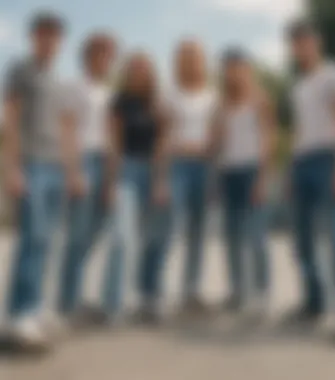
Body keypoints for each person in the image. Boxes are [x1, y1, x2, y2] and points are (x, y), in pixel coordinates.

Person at [287, 20, 335, 342]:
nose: (301, 46)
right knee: (303, 241)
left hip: (329, 159)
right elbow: (301, 129)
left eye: (305, 40)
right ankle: (314, 303)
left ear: (317, 41)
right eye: (295, 42)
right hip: (302, 162)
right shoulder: (297, 86)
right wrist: (292, 168)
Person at [2, 12, 66, 349]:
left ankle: (34, 307)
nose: (50, 41)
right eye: (44, 35)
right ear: (34, 37)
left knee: (45, 241)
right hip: (31, 165)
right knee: (31, 238)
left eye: (55, 36)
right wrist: (12, 168)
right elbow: (10, 121)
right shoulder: (20, 70)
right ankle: (19, 315)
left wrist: (68, 169)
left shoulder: (56, 78)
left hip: (54, 165)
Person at [103, 52, 171, 324]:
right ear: (127, 73)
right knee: (121, 238)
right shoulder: (119, 102)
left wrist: (160, 181)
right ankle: (114, 305)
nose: (138, 73)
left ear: (151, 73)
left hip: (152, 170)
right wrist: (111, 182)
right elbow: (114, 145)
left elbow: (162, 145)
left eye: (143, 68)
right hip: (126, 170)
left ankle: (150, 297)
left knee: (155, 237)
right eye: (133, 69)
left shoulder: (158, 103)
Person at [58, 33, 116, 324]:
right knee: (77, 235)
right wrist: (74, 171)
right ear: (89, 56)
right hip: (83, 162)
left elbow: (109, 135)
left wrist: (109, 177)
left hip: (102, 163)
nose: (108, 60)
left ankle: (74, 295)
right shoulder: (74, 86)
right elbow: (67, 129)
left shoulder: (106, 91)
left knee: (94, 232)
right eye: (103, 54)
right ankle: (68, 304)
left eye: (111, 55)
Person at [213, 48, 275, 316]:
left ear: (247, 69)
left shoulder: (259, 99)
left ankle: (262, 293)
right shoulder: (222, 104)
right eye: (228, 67)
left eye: (238, 67)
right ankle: (238, 290)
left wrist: (262, 178)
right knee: (233, 236)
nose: (233, 72)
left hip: (251, 172)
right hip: (228, 173)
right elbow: (218, 144)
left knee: (256, 235)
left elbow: (268, 140)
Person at [165, 39, 218, 315]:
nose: (190, 61)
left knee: (199, 231)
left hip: (205, 166)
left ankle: (191, 290)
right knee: (170, 227)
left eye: (195, 56)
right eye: (184, 56)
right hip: (177, 165)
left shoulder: (212, 96)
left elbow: (217, 132)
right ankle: (158, 292)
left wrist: (208, 150)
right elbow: (165, 134)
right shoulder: (170, 94)